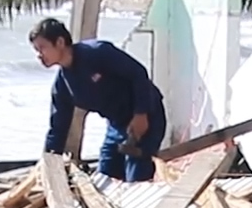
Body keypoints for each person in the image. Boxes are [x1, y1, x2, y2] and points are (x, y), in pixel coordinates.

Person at [31, 17, 167, 182]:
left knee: (137, 180)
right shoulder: (63, 86)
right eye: (36, 50)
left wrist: (141, 114)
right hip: (116, 125)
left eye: (42, 48)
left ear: (60, 42)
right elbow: (58, 128)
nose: (39, 55)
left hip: (147, 115)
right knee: (104, 180)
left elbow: (138, 73)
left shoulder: (97, 52)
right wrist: (49, 165)